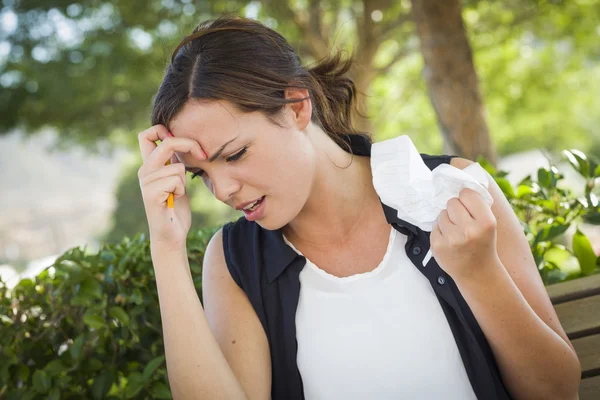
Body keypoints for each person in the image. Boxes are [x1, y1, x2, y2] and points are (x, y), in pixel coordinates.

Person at [137, 15, 581, 400]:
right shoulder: (236, 260)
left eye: (234, 155)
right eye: (202, 174)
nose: (223, 190)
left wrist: (479, 272)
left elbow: (557, 392)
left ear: (296, 107)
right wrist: (166, 248)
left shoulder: (450, 190)